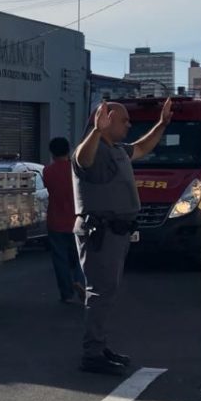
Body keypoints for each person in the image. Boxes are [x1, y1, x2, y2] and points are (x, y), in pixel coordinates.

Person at [72, 98, 173, 375]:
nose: (129, 124)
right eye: (124, 120)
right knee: (100, 292)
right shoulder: (92, 149)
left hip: (117, 231)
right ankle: (92, 354)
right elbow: (83, 158)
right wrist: (95, 131)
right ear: (105, 120)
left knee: (107, 291)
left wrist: (161, 125)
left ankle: (99, 346)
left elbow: (142, 147)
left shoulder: (116, 149)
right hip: (101, 230)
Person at [43, 137, 85, 304]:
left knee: (60, 259)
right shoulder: (77, 170)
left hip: (55, 220)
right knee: (81, 256)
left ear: (52, 153)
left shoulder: (48, 171)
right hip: (76, 219)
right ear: (69, 150)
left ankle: (66, 293)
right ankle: (79, 280)